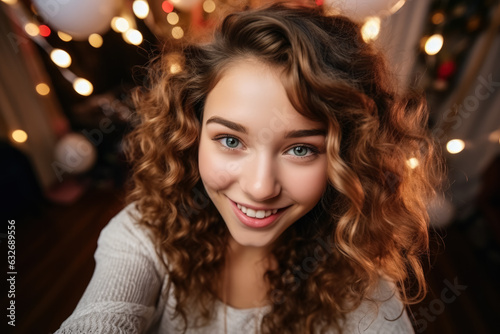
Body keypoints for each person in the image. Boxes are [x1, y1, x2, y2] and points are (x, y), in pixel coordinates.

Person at [56, 2, 443, 333]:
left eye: (301, 149)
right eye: (230, 141)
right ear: (191, 133)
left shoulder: (360, 275)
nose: (260, 188)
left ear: (347, 157)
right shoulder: (143, 236)